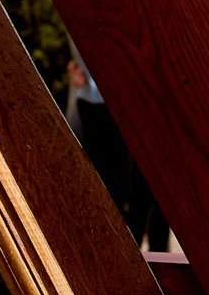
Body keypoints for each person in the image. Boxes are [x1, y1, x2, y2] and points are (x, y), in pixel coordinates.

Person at [68, 48, 167, 250]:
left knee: (145, 191)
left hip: (133, 98)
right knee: (114, 192)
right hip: (99, 100)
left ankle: (146, 256)